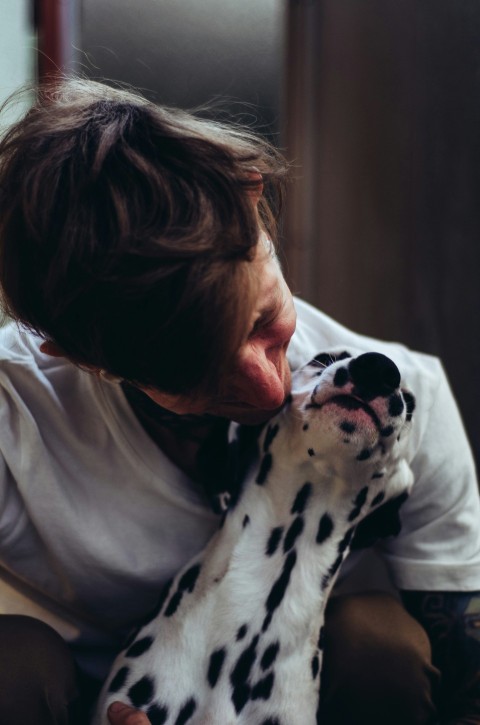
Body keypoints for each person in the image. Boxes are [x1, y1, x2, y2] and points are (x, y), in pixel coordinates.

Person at [0, 78, 478, 725]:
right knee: (15, 664)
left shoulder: (405, 398)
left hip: (305, 693)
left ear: (252, 197)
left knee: (380, 644)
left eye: (262, 321)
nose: (268, 390)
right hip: (84, 700)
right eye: (197, 374)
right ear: (77, 354)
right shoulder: (13, 411)